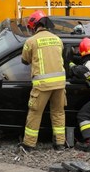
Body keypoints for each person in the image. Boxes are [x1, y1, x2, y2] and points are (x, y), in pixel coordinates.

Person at [20, 10, 66, 151]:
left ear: (33, 25)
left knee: (35, 113)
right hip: (59, 84)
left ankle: (29, 144)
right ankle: (60, 144)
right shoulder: (57, 39)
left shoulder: (31, 41)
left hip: (42, 86)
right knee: (58, 113)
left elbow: (24, 60)